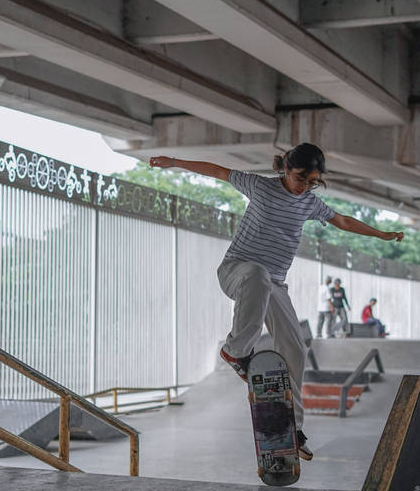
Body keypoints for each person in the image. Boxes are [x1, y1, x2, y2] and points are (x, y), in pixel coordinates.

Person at [149, 143, 404, 464]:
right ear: (285, 168)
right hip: (237, 272)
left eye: (313, 182)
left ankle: (292, 428)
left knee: (295, 349)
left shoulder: (309, 203)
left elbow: (343, 221)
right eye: (301, 179)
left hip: (274, 286)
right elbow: (217, 171)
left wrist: (381, 235)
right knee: (257, 274)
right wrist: (174, 161)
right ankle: (236, 351)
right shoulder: (260, 186)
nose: (305, 187)